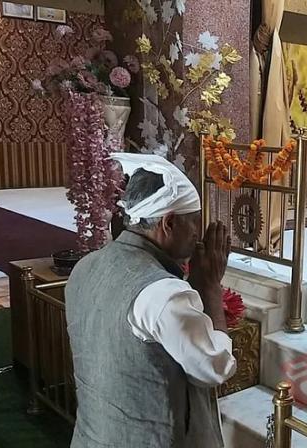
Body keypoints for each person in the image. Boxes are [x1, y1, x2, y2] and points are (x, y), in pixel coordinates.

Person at [65, 153, 237, 448]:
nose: (197, 233)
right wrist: (209, 288)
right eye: (193, 222)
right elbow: (215, 366)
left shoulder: (85, 267)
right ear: (169, 223)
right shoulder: (164, 295)